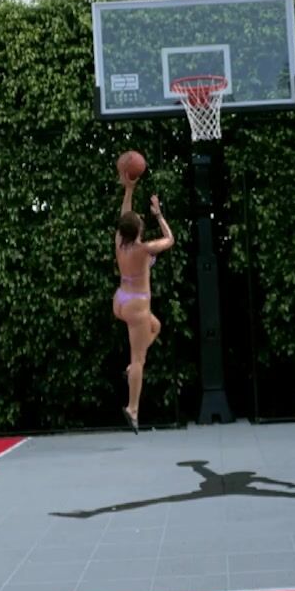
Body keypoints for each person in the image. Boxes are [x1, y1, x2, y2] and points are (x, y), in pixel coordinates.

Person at [114, 170, 174, 432]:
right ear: (139, 228)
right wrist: (158, 215)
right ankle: (133, 408)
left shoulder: (120, 242)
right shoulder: (144, 249)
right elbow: (170, 239)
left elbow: (124, 214)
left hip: (120, 301)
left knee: (156, 326)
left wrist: (129, 189)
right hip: (137, 306)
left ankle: (132, 369)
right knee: (139, 359)